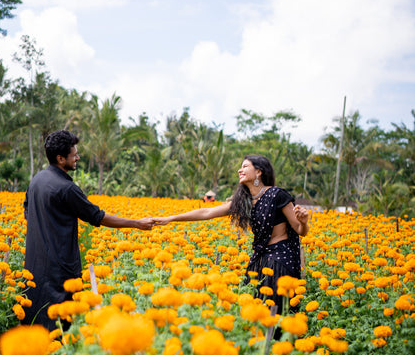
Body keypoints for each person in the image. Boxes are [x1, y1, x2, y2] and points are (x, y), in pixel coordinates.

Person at [23, 129, 154, 330]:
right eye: (74, 154)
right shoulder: (66, 188)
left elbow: (27, 211)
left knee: (36, 321)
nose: (77, 157)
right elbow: (98, 216)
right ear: (60, 158)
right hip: (59, 270)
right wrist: (137, 223)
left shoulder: (37, 181)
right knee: (60, 327)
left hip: (34, 266)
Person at [153, 155, 309, 311]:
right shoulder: (244, 199)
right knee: (252, 311)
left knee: (275, 312)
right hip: (259, 260)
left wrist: (303, 222)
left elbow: (300, 231)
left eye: (245, 166)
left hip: (279, 261)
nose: (239, 170)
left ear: (259, 172)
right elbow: (207, 212)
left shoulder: (277, 195)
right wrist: (170, 218)